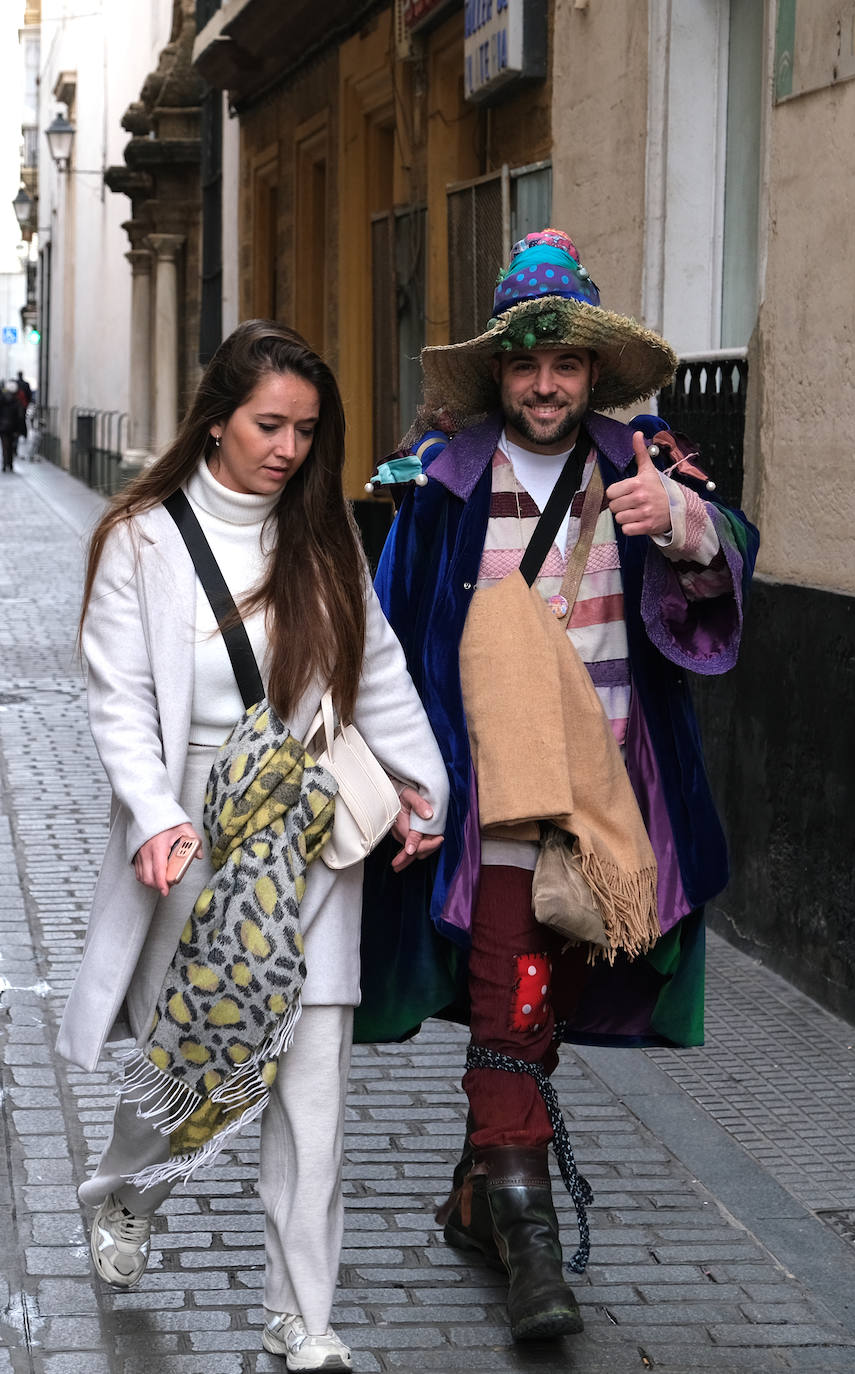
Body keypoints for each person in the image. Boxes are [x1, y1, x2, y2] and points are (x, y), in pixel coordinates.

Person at [360, 229, 760, 1342]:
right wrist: (400, 776)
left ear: (591, 373)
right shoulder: (439, 483)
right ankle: (532, 1246)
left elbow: (729, 556)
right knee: (510, 996)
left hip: (615, 802)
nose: (545, 384)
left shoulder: (643, 464)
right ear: (501, 371)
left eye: (566, 364)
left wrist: (680, 529)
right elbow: (388, 640)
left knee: (552, 994)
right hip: (490, 802)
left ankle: (480, 1190)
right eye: (527, 363)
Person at [56, 319, 449, 1373]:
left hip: (311, 837)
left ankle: (300, 1316)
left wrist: (424, 786)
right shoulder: (142, 536)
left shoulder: (324, 538)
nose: (287, 448)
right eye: (269, 425)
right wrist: (153, 815)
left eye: (306, 430)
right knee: (202, 1061)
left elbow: (379, 678)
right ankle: (125, 1191)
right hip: (194, 838)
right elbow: (119, 698)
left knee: (311, 1088)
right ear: (217, 420)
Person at [0, 380, 26, 471]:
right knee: (11, 445)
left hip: (3, 427)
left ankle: (4, 463)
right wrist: (21, 430)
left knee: (4, 445)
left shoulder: (2, 400)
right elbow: (20, 417)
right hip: (13, 427)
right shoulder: (17, 401)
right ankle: (10, 464)